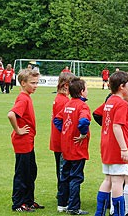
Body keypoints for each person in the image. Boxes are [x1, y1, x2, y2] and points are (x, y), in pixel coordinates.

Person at [93, 71, 128, 216]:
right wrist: (124, 148)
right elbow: (117, 126)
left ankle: (100, 213)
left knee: (108, 179)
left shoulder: (109, 101)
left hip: (106, 145)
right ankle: (118, 213)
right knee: (117, 181)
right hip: (116, 147)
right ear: (122, 86)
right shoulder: (121, 104)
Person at [7, 68, 44, 212]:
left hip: (28, 141)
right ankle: (18, 204)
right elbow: (11, 114)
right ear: (23, 83)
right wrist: (18, 130)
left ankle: (28, 200)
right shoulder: (23, 98)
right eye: (33, 83)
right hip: (22, 142)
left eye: (37, 82)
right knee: (22, 173)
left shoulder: (27, 96)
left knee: (30, 171)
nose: (35, 86)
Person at [53, 78, 91, 215]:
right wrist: (82, 133)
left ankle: (61, 204)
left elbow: (57, 119)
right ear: (81, 92)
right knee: (76, 177)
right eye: (86, 89)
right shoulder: (83, 106)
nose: (88, 91)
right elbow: (84, 121)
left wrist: (65, 131)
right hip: (77, 148)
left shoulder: (68, 104)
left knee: (64, 176)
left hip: (66, 147)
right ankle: (74, 207)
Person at [49, 72, 76, 202]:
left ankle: (62, 194)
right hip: (61, 142)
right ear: (66, 85)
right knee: (64, 170)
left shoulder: (59, 98)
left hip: (57, 140)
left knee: (62, 170)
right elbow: (61, 122)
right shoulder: (63, 101)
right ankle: (63, 197)